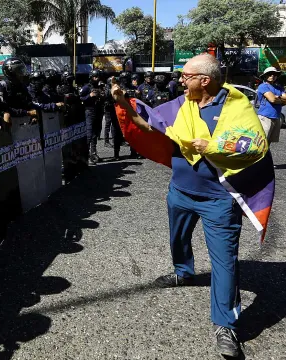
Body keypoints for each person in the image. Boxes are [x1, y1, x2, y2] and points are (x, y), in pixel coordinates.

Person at [111, 54, 259, 357]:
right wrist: (123, 102)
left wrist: (214, 146)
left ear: (204, 80)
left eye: (185, 75)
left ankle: (225, 325)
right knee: (177, 239)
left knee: (225, 263)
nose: (180, 80)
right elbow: (150, 124)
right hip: (179, 191)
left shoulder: (236, 106)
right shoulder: (182, 104)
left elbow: (253, 144)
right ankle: (183, 271)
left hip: (220, 199)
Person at [0, 57, 39, 121]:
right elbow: (2, 108)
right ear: (10, 73)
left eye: (22, 70)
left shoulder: (22, 86)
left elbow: (29, 103)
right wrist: (27, 113)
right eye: (19, 71)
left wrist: (33, 112)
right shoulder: (1, 87)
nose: (22, 74)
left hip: (24, 124)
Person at [256, 67, 286, 144]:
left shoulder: (279, 88)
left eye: (274, 74)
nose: (272, 76)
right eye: (269, 74)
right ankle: (262, 156)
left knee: (269, 142)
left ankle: (267, 156)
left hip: (276, 117)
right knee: (262, 142)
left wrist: (277, 97)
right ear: (265, 76)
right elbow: (272, 99)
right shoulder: (263, 86)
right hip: (265, 117)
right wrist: (281, 101)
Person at [80, 69, 107, 164]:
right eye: (95, 77)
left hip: (99, 111)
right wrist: (89, 96)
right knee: (89, 134)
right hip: (89, 112)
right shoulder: (87, 87)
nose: (96, 78)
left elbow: (105, 98)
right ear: (91, 77)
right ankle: (85, 156)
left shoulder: (101, 87)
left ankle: (93, 153)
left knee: (95, 134)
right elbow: (80, 98)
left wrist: (104, 95)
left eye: (98, 77)